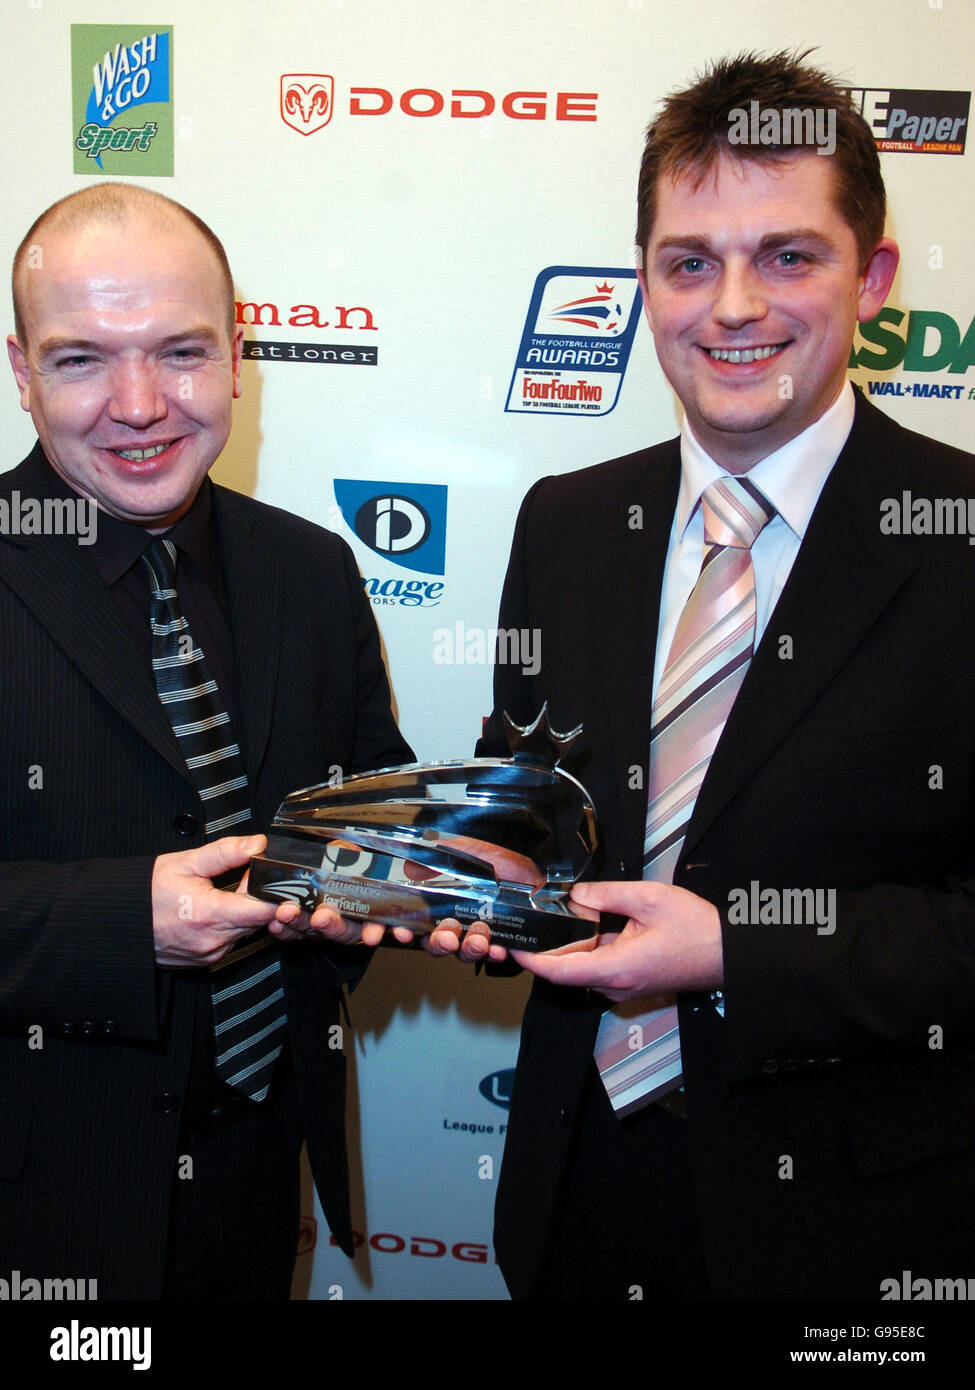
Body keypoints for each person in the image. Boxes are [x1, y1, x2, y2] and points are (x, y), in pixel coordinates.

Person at [470, 51, 975, 1299]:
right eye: (689, 262)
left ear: (875, 278)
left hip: (856, 1230)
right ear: (644, 280)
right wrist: (480, 874)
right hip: (577, 1195)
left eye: (787, 256)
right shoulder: (564, 523)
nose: (733, 307)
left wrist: (735, 951)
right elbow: (525, 794)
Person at [0, 183, 413, 1299]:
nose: (140, 406)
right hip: (40, 1203)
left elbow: (368, 808)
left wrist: (419, 875)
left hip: (255, 1176)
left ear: (237, 354)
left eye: (180, 351)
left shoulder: (311, 568)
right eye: (82, 360)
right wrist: (122, 921)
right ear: (22, 370)